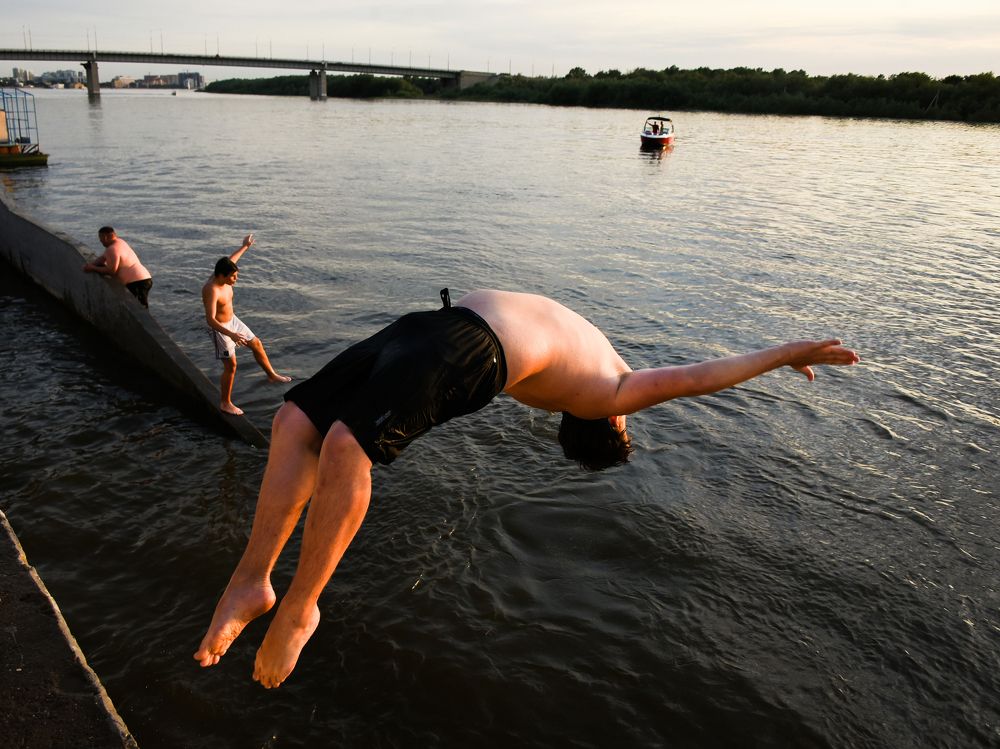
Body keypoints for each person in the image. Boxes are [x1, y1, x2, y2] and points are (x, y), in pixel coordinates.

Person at [194, 288, 860, 688]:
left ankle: (302, 607)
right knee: (293, 422)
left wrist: (781, 354)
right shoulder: (600, 371)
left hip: (467, 344)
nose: (633, 417)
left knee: (347, 445)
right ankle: (252, 581)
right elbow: (684, 372)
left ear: (608, 423)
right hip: (431, 325)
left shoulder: (611, 391)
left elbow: (697, 378)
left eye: (627, 426)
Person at [202, 233, 291, 416]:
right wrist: (231, 335)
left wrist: (245, 246)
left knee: (256, 343)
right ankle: (225, 403)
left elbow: (232, 259)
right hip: (220, 329)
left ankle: (271, 375)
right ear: (221, 275)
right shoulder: (212, 290)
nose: (236, 279)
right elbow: (210, 319)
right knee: (231, 366)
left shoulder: (224, 274)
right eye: (233, 277)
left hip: (233, 321)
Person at [82, 226, 154, 307]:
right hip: (144, 278)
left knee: (138, 307)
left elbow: (112, 271)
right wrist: (92, 264)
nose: (100, 241)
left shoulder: (112, 249)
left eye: (100, 238)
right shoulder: (120, 242)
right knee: (138, 305)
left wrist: (93, 268)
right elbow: (103, 258)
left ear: (105, 237)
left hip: (137, 282)